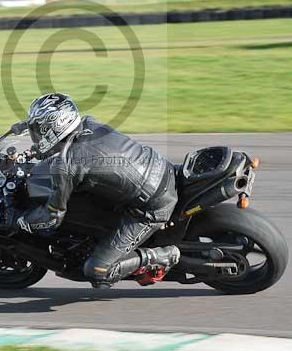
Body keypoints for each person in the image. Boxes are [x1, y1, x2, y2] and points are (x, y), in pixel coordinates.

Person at [14, 93, 180, 288]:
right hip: (162, 169)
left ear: (53, 127)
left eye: (38, 129)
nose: (36, 135)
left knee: (97, 271)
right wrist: (25, 129)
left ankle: (164, 254)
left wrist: (22, 221)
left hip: (152, 205)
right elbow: (61, 147)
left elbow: (53, 217)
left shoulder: (67, 165)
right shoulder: (88, 123)